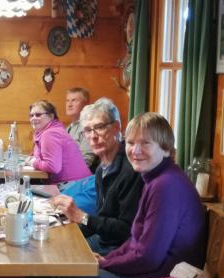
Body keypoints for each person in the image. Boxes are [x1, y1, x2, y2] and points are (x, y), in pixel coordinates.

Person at [47, 112, 208, 278]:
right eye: (131, 143)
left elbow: (148, 256)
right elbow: (134, 240)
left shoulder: (165, 185)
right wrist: (106, 260)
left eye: (145, 143)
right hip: (148, 271)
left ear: (166, 148)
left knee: (55, 272)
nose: (135, 150)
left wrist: (107, 265)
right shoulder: (153, 179)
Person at [53, 98, 143, 256]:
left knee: (56, 261)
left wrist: (82, 217)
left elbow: (126, 230)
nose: (93, 136)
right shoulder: (102, 169)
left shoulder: (131, 169)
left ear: (116, 128)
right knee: (54, 244)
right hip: (103, 240)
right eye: (87, 130)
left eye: (99, 127)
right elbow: (102, 220)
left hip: (119, 250)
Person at [25, 100, 91, 184]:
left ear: (51, 116)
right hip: (75, 184)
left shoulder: (50, 133)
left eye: (38, 115)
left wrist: (32, 162)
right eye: (31, 115)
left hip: (75, 186)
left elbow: (53, 167)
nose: (33, 118)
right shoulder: (49, 131)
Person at [65, 88, 99, 171]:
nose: (69, 104)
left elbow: (85, 162)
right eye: (67, 100)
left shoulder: (89, 127)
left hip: (79, 179)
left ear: (86, 104)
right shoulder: (69, 128)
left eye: (74, 100)